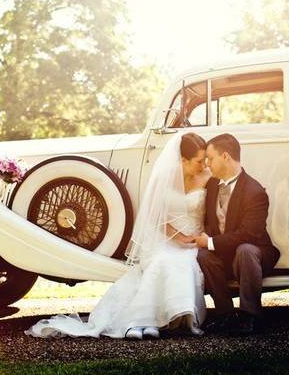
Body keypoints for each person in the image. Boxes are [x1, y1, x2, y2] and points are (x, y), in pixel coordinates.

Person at [25, 132, 210, 339]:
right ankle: (142, 321)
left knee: (179, 262)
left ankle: (167, 319)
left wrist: (199, 238)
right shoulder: (165, 177)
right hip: (169, 239)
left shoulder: (207, 177)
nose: (203, 165)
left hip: (196, 241)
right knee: (161, 260)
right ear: (183, 160)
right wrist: (178, 237)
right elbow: (156, 216)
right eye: (199, 161)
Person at [194, 133, 281, 335]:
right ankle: (225, 315)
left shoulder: (255, 191)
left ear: (225, 157)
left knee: (246, 250)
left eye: (210, 158)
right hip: (224, 256)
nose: (207, 164)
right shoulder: (213, 185)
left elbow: (249, 234)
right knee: (203, 256)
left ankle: (249, 316)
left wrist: (211, 242)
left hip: (253, 254)